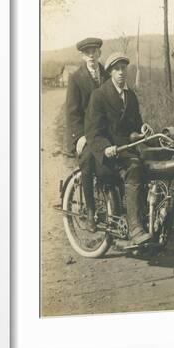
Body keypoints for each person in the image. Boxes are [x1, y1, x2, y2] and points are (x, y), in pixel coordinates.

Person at [85, 52, 151, 245]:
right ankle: (134, 227)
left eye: (124, 68)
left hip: (127, 148)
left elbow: (135, 124)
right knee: (133, 168)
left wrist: (142, 130)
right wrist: (106, 147)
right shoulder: (99, 96)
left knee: (150, 166)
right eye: (117, 69)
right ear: (110, 72)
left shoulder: (131, 96)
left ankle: (148, 219)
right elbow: (93, 132)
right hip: (109, 154)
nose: (121, 72)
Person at [66, 37, 109, 232]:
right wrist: (80, 136)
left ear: (99, 53)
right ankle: (91, 210)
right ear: (82, 56)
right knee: (88, 161)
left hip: (106, 132)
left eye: (94, 51)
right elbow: (73, 112)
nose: (91, 55)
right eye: (87, 52)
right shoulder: (76, 78)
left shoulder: (108, 74)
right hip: (86, 133)